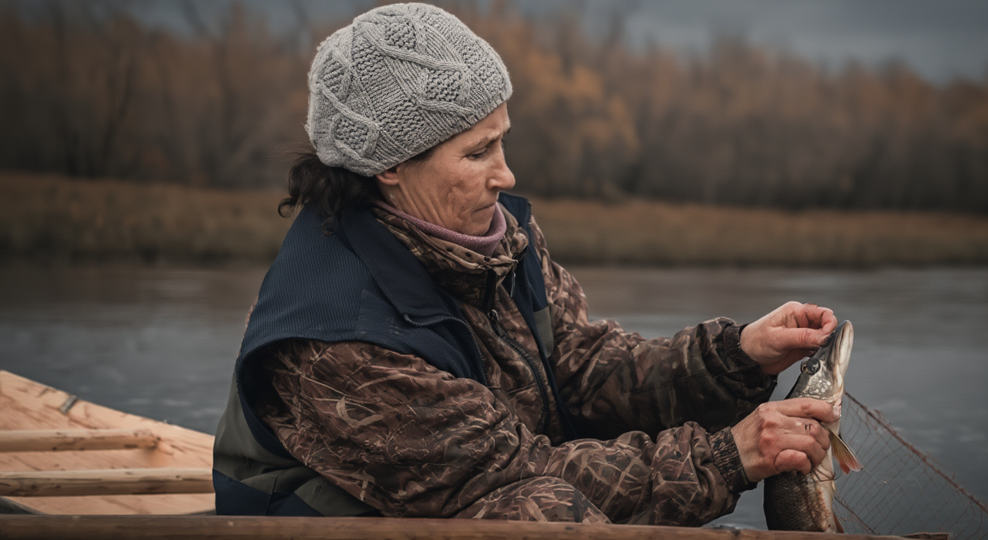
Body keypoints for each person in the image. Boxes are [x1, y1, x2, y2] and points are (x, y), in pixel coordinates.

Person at [212, 3, 839, 526]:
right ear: (390, 166)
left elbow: (583, 370)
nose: (506, 174)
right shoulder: (337, 336)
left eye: (502, 139)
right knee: (542, 509)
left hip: (481, 483)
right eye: (478, 151)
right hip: (315, 526)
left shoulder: (494, 235)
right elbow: (516, 474)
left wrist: (736, 355)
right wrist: (727, 457)